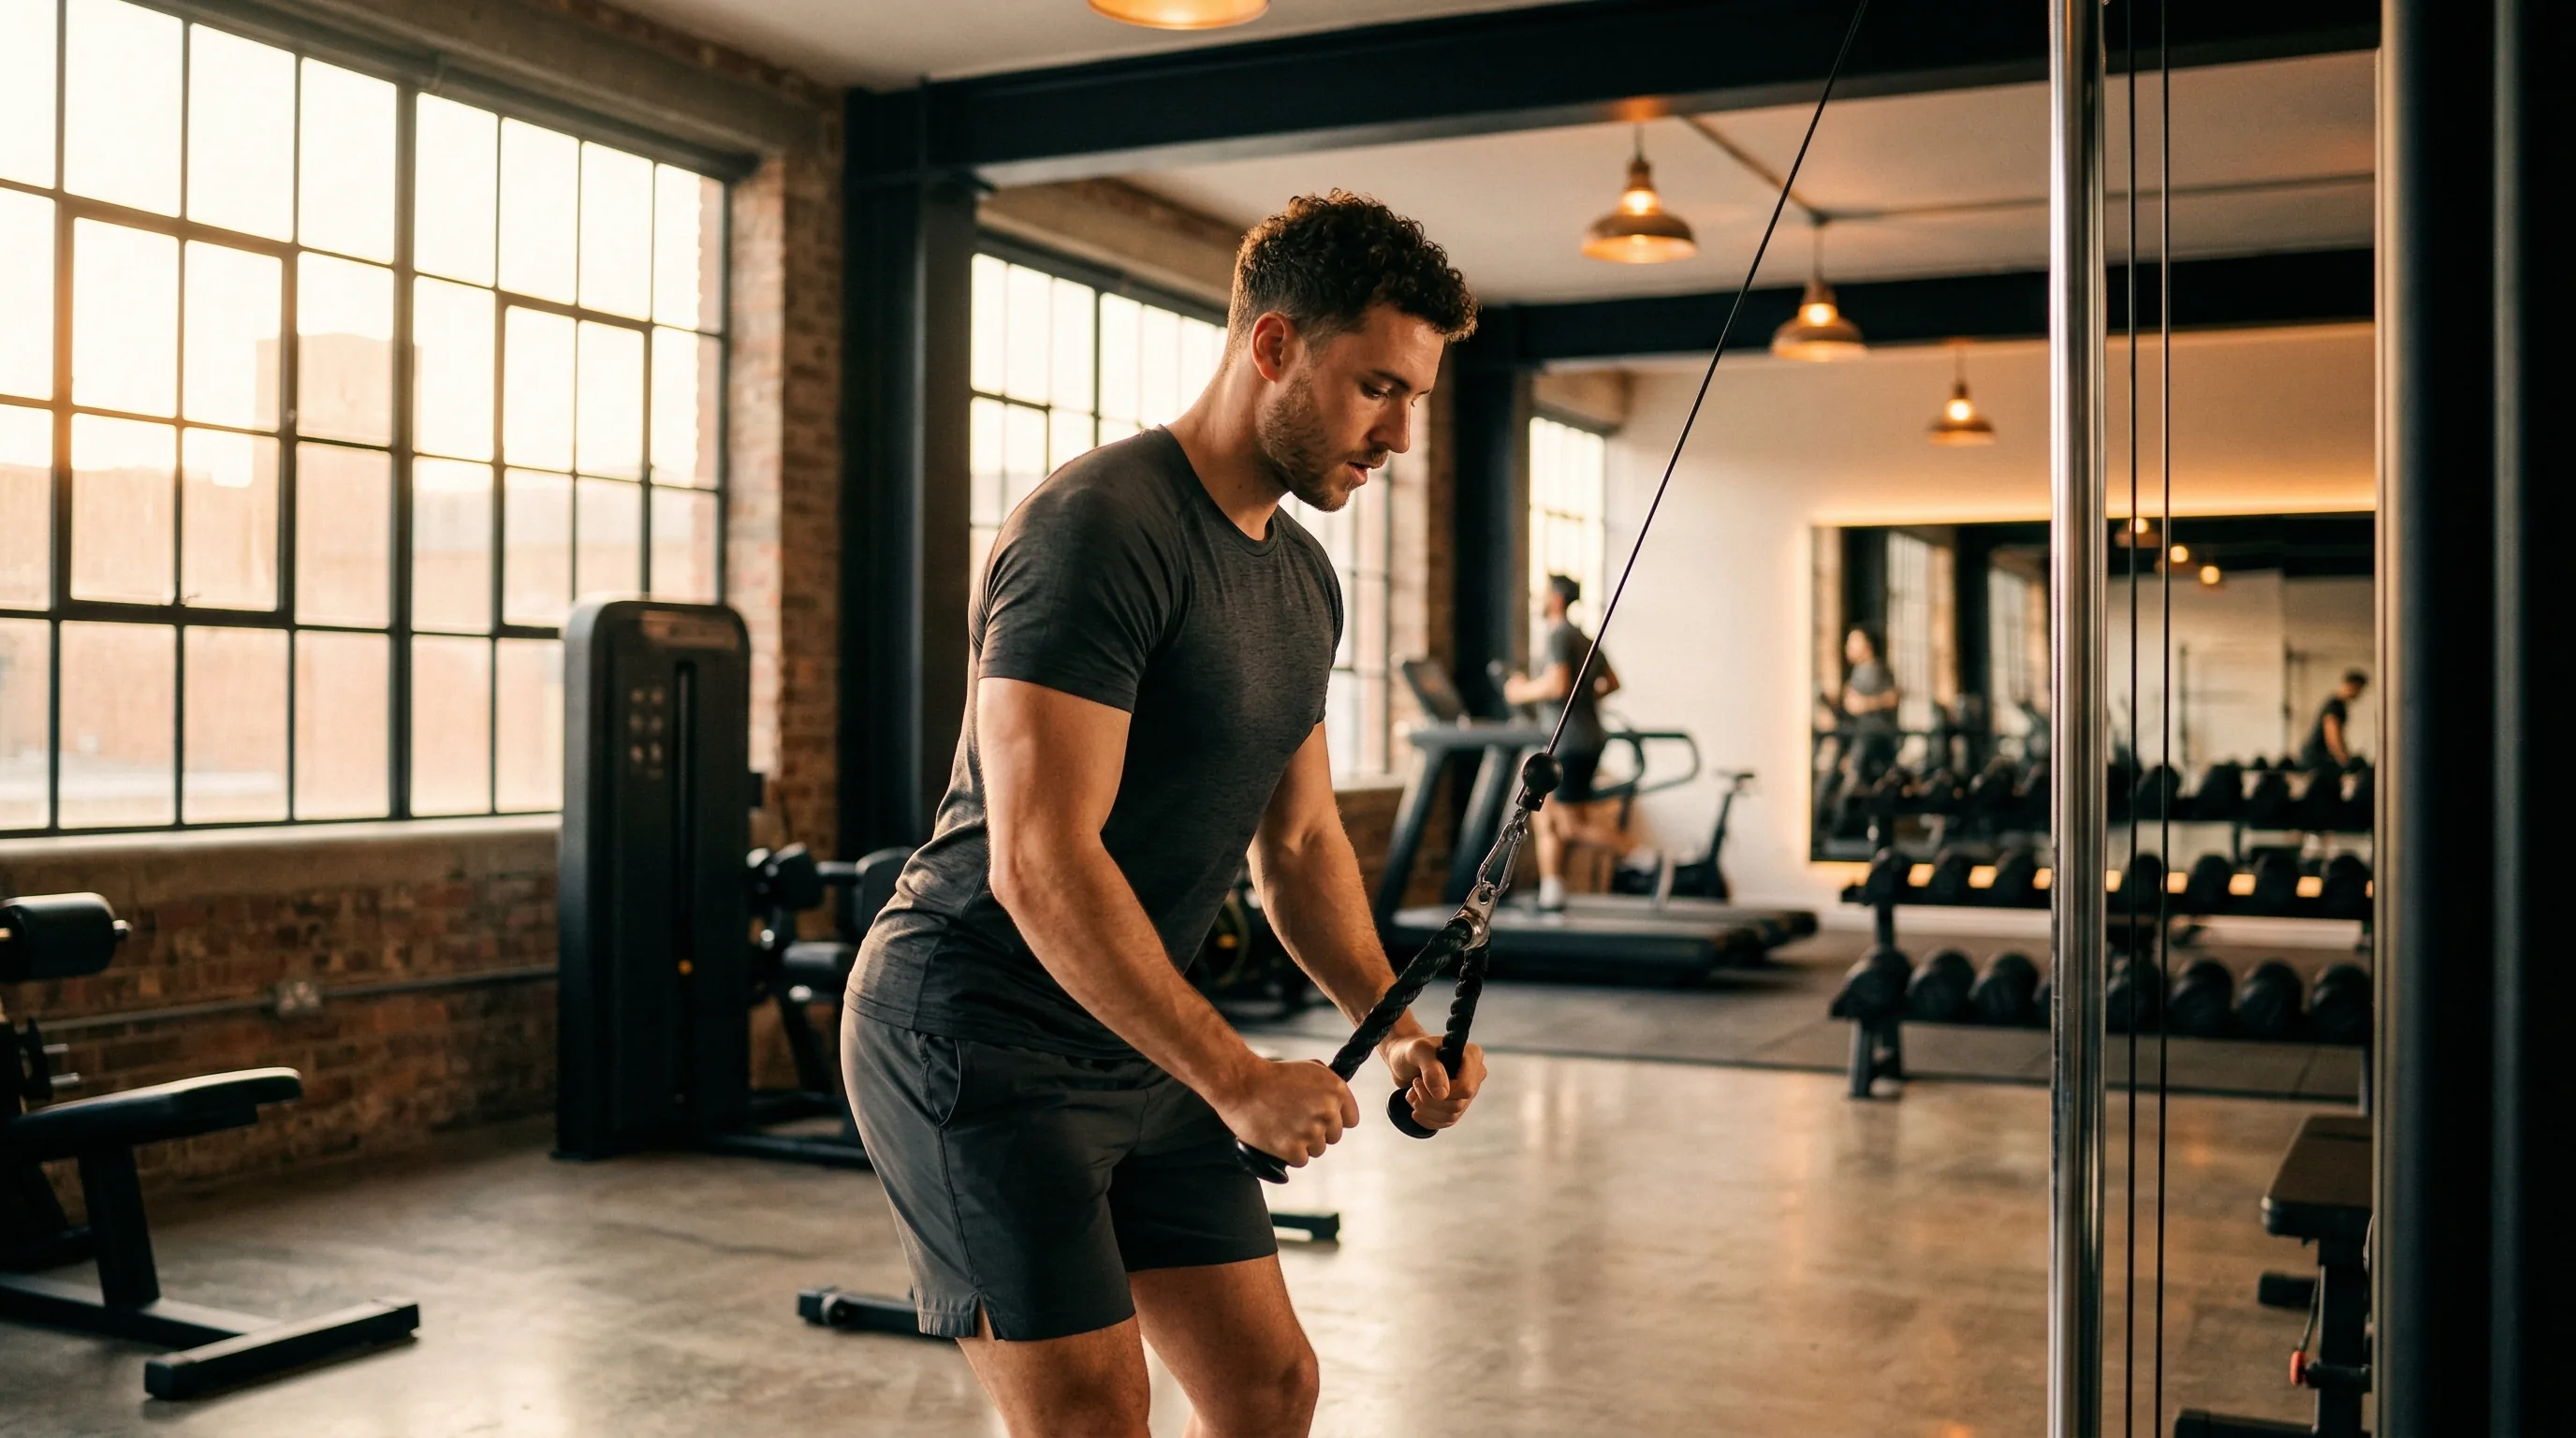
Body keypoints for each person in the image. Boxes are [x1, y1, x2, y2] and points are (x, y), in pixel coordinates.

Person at [845, 192, 1486, 1438]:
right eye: (1377, 389)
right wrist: (1239, 1077)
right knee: (1093, 1414)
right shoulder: (1098, 528)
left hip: (1132, 1036)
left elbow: (1297, 845)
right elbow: (1040, 859)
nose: (1400, 434)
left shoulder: (1300, 577)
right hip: (976, 1033)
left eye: (1415, 396)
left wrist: (1396, 1026)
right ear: (1273, 347)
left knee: (1268, 1388)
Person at [1500, 574, 1664, 911]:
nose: (1538, 600)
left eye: (1542, 593)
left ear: (1557, 598)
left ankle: (1646, 857)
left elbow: (1558, 685)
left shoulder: (1559, 635)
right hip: (1586, 738)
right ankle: (1552, 890)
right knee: (1546, 818)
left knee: (1571, 825)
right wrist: (1586, 700)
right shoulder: (1586, 638)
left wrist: (1519, 691)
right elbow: (1613, 683)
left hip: (1569, 743)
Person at [1839, 625, 1902, 780]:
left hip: (1874, 735)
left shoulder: (1877, 669)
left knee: (1856, 776)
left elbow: (1893, 697)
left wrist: (1866, 704)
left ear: (1867, 645)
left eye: (1854, 642)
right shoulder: (1858, 671)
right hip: (1858, 733)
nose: (1849, 647)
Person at [2298, 669, 2369, 770]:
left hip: (2318, 758)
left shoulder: (2337, 704)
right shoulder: (2335, 706)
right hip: (2317, 760)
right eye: (2360, 689)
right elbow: (2332, 737)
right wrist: (2346, 762)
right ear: (2354, 686)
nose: (2360, 694)